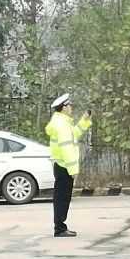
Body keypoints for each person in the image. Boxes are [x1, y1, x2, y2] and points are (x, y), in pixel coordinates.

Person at [45, 93, 92, 237]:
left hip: (61, 165)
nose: (71, 107)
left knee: (61, 197)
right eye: (69, 105)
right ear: (64, 107)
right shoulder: (61, 124)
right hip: (64, 166)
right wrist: (73, 170)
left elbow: (74, 134)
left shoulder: (62, 122)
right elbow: (66, 147)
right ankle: (59, 228)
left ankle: (60, 226)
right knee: (62, 199)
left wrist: (84, 121)